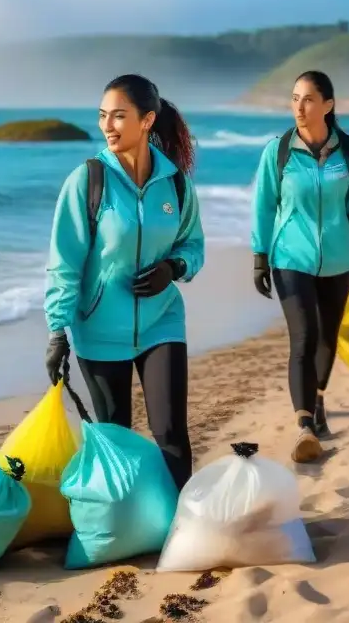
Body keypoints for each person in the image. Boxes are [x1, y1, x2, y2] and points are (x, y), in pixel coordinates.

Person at [43, 74, 205, 492]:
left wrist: (174, 268)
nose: (108, 126)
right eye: (103, 116)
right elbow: (64, 262)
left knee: (171, 432)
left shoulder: (175, 184)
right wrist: (57, 329)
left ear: (147, 120)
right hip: (99, 329)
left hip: (162, 321)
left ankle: (179, 529)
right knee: (115, 437)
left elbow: (193, 244)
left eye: (119, 116)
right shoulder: (88, 180)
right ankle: (127, 529)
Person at [250, 70, 349, 463]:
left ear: (328, 105)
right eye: (294, 99)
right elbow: (263, 205)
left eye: (307, 99)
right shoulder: (279, 151)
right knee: (304, 338)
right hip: (290, 258)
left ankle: (318, 397)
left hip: (339, 259)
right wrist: (259, 257)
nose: (299, 108)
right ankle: (305, 424)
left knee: (328, 338)